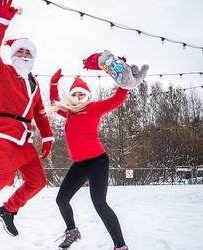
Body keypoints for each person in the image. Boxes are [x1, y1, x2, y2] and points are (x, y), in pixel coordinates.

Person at [0, 0, 54, 237]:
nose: (24, 55)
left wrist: (47, 137)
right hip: (1, 134)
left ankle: (8, 210)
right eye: (20, 51)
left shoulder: (34, 83)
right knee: (3, 176)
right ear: (13, 55)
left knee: (38, 181)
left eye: (28, 52)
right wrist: (1, 21)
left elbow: (39, 112)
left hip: (24, 140)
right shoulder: (2, 71)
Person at [49, 52, 148, 249]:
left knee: (99, 203)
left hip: (97, 161)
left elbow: (116, 101)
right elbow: (54, 102)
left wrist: (123, 78)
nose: (78, 97)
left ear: (87, 97)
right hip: (79, 164)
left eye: (81, 94)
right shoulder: (68, 113)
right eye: (75, 94)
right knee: (61, 200)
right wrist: (53, 85)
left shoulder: (94, 108)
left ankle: (120, 245)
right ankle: (72, 231)